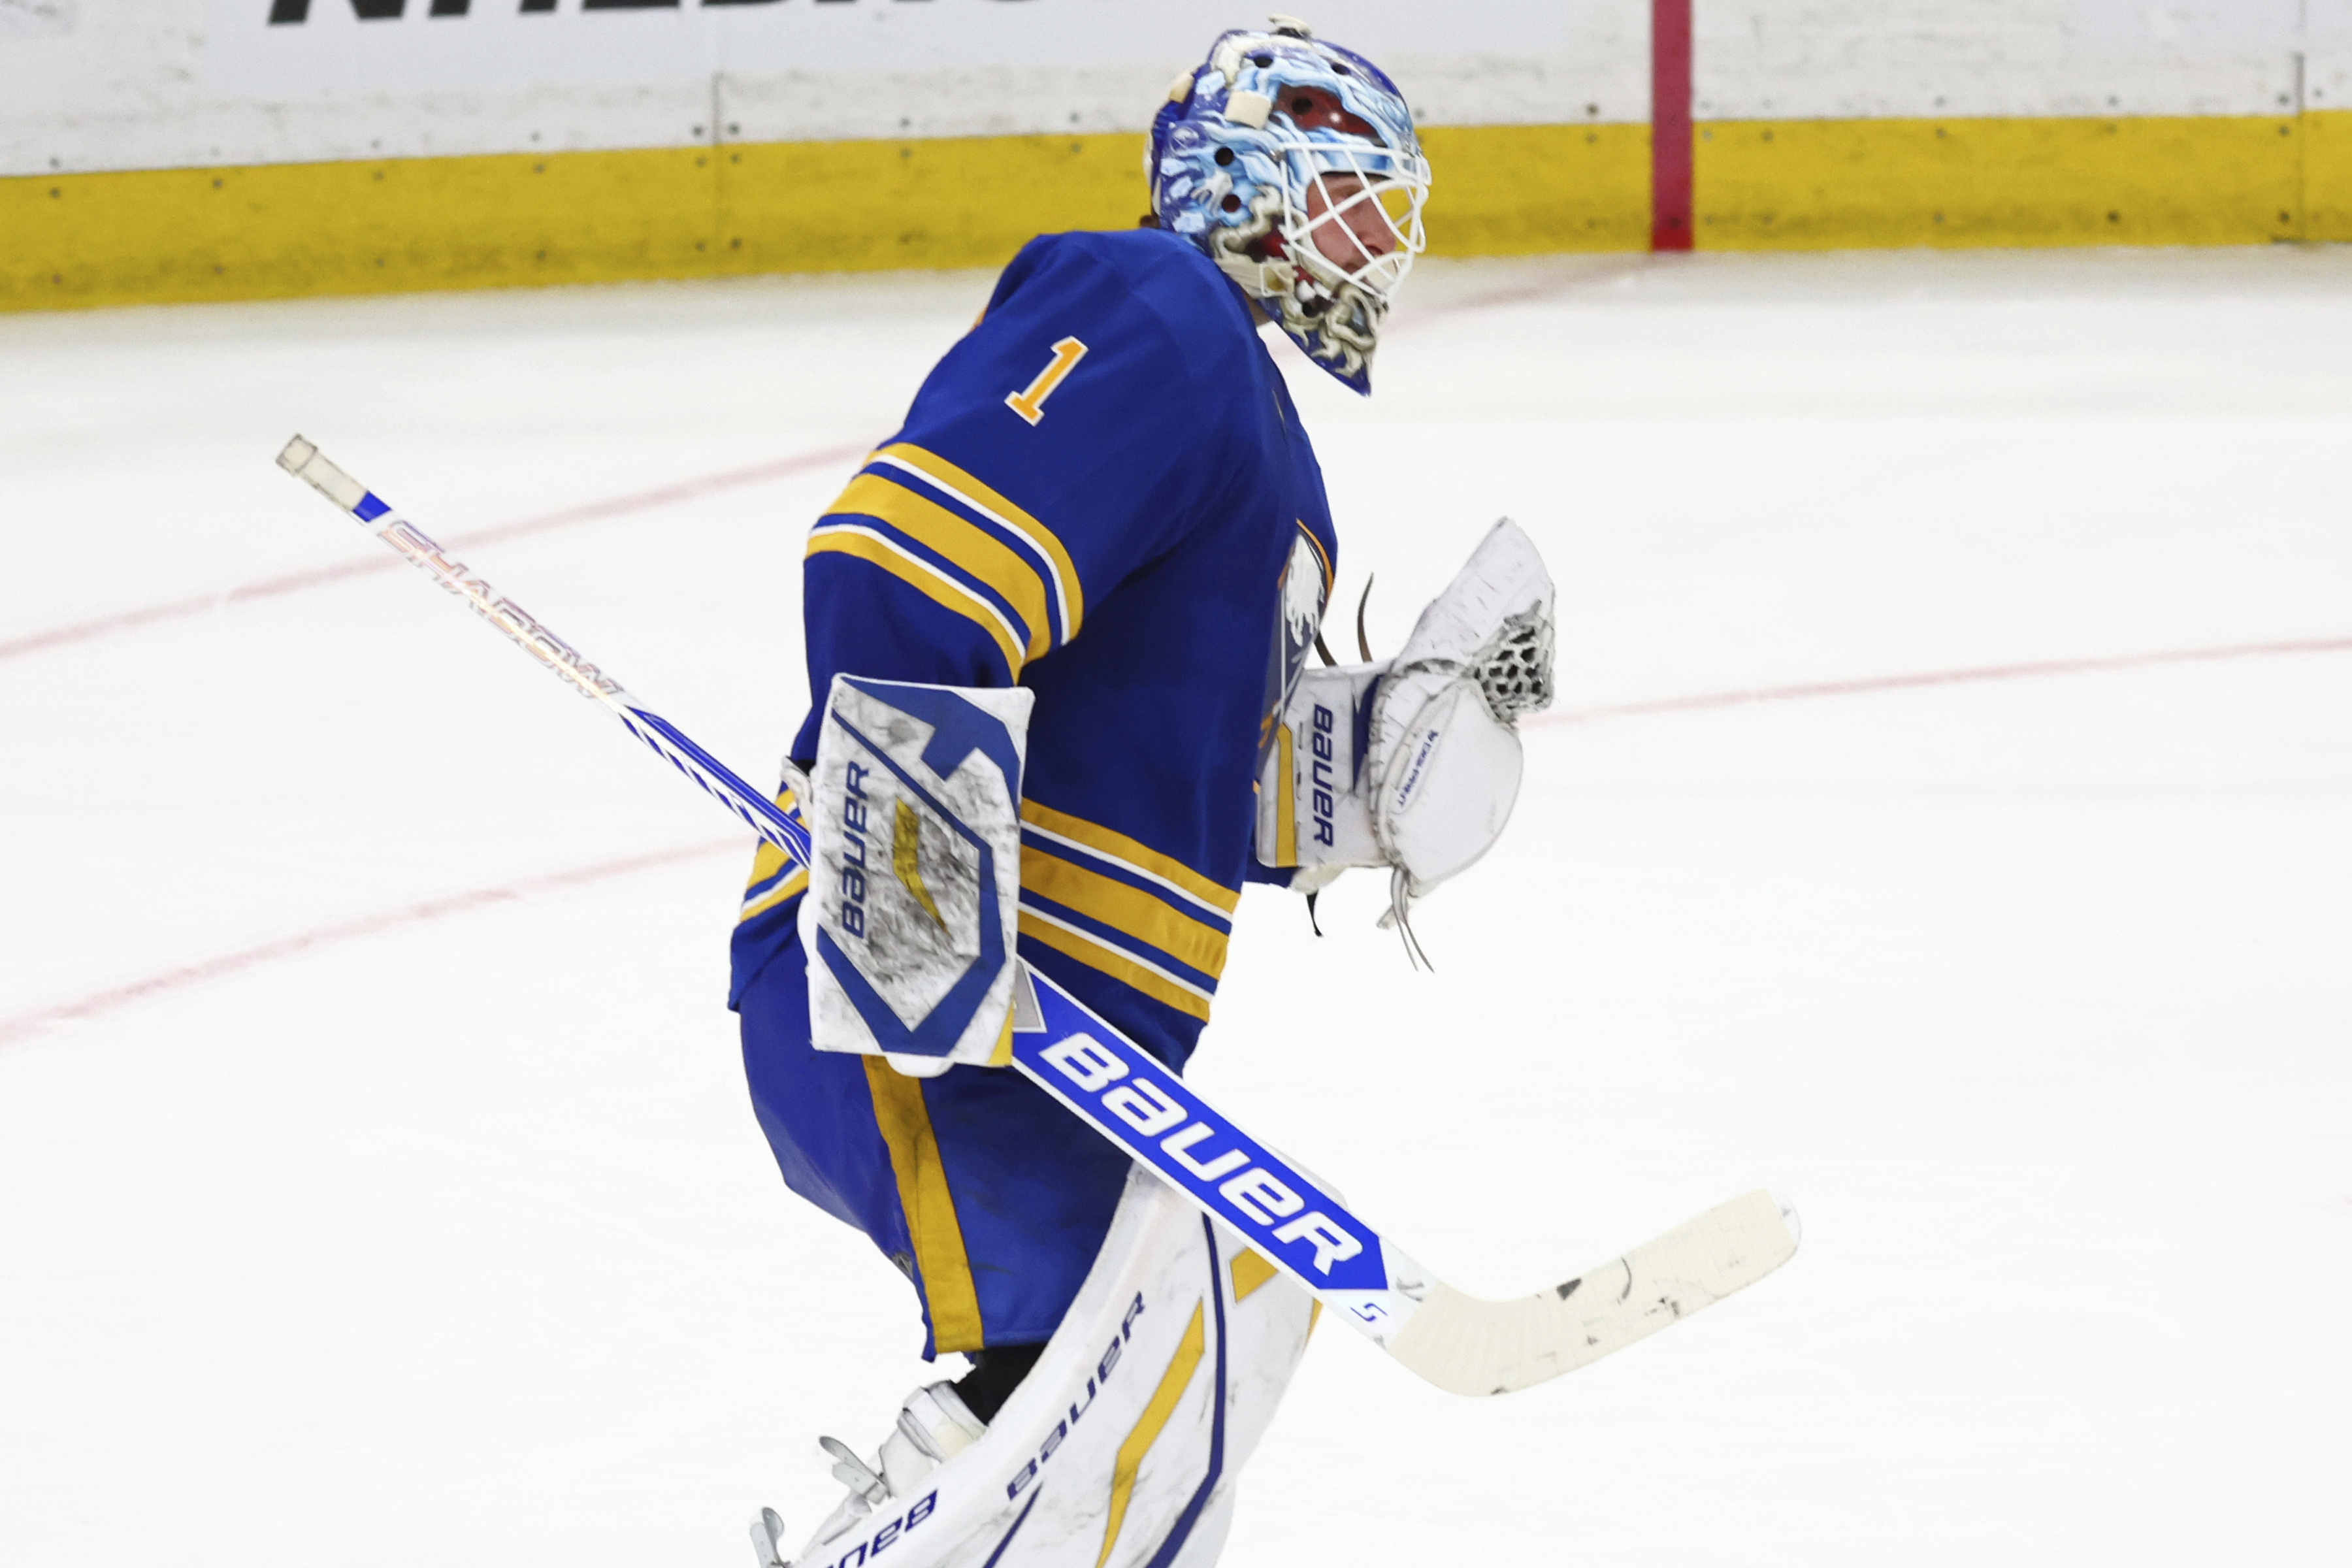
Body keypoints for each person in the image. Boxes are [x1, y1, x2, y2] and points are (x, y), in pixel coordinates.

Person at [728, 17, 1449, 1564]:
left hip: (1067, 1039)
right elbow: (900, 566)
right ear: (1244, 180)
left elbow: (1194, 773)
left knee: (1142, 1413)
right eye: (1348, 197)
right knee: (1122, 1408)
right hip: (922, 996)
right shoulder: (1155, 309)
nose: (1377, 244)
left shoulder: (1269, 450)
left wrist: (1366, 777)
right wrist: (908, 913)